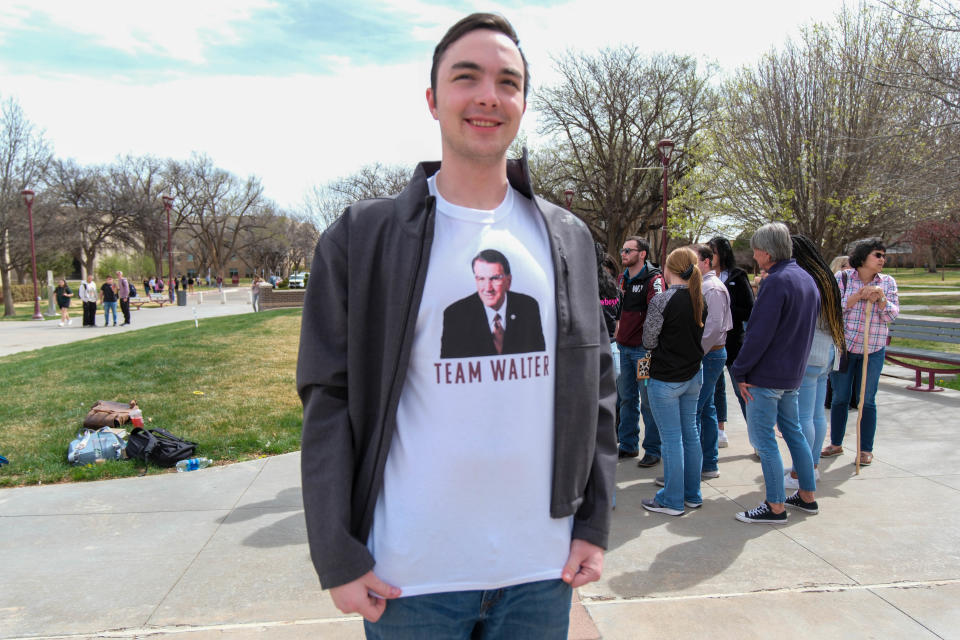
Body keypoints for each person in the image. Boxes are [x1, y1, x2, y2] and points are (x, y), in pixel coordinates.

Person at [297, 13, 616, 638]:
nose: (487, 96)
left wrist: (594, 525)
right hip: (409, 579)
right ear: (433, 98)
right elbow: (327, 397)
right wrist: (337, 554)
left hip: (540, 572)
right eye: (465, 77)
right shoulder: (364, 238)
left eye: (508, 81)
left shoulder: (567, 238)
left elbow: (595, 391)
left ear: (523, 102)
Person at [730, 222, 820, 524]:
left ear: (767, 251)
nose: (754, 256)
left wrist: (740, 370)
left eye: (756, 250)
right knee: (794, 434)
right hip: (791, 374)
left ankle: (775, 506)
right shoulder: (807, 279)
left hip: (766, 377)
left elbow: (758, 333)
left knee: (765, 440)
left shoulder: (777, 281)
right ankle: (807, 496)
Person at [640, 248, 706, 516]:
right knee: (690, 434)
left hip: (666, 378)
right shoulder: (699, 299)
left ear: (670, 269)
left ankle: (673, 500)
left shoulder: (662, 300)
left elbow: (648, 340)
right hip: (692, 374)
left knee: (672, 439)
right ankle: (691, 494)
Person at [821, 239, 899, 466]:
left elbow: (892, 316)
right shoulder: (842, 278)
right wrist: (857, 297)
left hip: (872, 349)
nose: (882, 259)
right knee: (840, 397)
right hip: (845, 348)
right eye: (878, 255)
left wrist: (881, 300)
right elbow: (832, 309)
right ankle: (835, 444)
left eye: (884, 255)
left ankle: (865, 450)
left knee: (867, 400)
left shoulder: (888, 282)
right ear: (863, 256)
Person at [784, 235, 846, 489]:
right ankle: (811, 466)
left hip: (811, 354)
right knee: (817, 415)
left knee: (803, 418)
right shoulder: (826, 278)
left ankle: (803, 471)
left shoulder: (808, 280)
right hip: (829, 352)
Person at [614, 236, 666, 465]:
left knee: (647, 402)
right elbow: (615, 307)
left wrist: (648, 345)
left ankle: (653, 450)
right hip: (624, 349)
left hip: (643, 353)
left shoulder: (654, 279)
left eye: (628, 250)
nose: (623, 254)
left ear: (642, 254)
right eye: (622, 250)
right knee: (626, 399)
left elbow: (658, 312)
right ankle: (628, 445)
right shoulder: (622, 279)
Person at [440, 249, 546, 358]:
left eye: (494, 278)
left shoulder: (528, 308)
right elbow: (450, 368)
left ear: (508, 281)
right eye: (481, 279)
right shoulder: (455, 315)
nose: (488, 288)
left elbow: (538, 360)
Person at [708, 236, 754, 448]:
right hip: (712, 343)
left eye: (713, 251)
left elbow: (750, 309)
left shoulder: (738, 276)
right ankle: (719, 430)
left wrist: (723, 309)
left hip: (735, 342)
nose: (710, 256)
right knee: (714, 389)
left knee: (742, 390)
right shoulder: (704, 278)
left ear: (723, 253)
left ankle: (757, 437)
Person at [693, 244, 732, 480]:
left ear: (706, 262)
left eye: (694, 260)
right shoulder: (705, 285)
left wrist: (696, 352)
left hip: (710, 355)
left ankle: (696, 468)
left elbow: (714, 326)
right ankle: (708, 464)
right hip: (708, 354)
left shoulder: (712, 288)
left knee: (696, 410)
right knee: (706, 409)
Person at [597, 245, 621, 378]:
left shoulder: (617, 293)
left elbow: (618, 321)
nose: (606, 278)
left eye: (610, 275)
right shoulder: (589, 290)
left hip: (611, 345)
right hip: (595, 344)